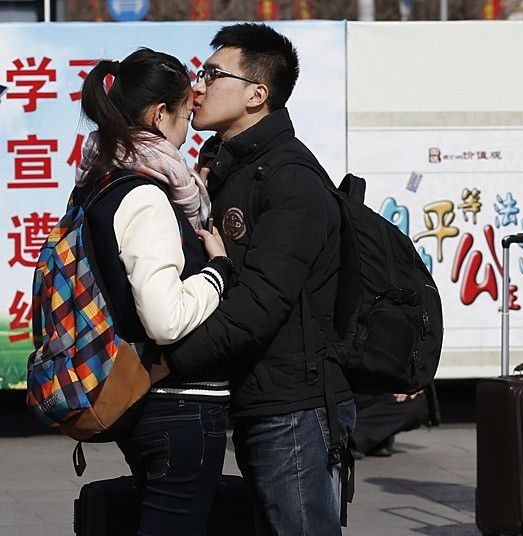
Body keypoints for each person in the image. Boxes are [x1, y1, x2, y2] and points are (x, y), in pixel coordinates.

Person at [158, 23, 355, 536]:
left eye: (210, 74)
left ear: (256, 95)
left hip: (294, 409)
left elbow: (258, 307)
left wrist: (162, 363)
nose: (195, 87)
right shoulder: (229, 170)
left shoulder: (290, 178)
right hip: (258, 400)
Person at [76, 48, 233, 534]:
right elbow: (164, 318)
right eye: (185, 115)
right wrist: (218, 272)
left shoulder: (99, 180)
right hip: (177, 405)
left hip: (143, 396)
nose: (187, 130)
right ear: (160, 114)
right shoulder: (145, 195)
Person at [350, 392, 428, 459]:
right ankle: (359, 439)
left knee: (415, 405)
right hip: (349, 393)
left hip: (381, 394)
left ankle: (360, 437)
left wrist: (413, 386)